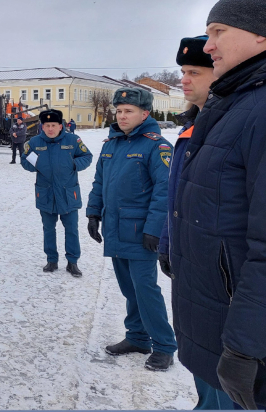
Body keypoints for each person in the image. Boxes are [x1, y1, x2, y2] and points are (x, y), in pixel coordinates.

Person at [173, 0, 266, 410]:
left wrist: (248, 345)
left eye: (218, 30)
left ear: (260, 33)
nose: (207, 45)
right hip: (214, 316)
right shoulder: (235, 104)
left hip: (240, 332)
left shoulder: (258, 110)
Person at [158, 35, 234, 412]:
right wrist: (168, 243)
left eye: (194, 72)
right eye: (182, 72)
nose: (184, 81)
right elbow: (178, 199)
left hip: (223, 275)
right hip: (193, 267)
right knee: (202, 363)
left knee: (227, 379)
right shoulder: (192, 130)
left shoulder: (232, 125)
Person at [86, 87, 177, 372]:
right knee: (129, 289)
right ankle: (138, 337)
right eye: (119, 110)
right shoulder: (111, 144)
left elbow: (165, 191)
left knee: (146, 289)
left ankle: (164, 345)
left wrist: (156, 229)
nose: (122, 116)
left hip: (140, 232)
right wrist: (92, 212)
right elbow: (99, 182)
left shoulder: (157, 146)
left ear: (145, 114)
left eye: (129, 111)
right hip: (116, 228)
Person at [21, 109, 92, 276]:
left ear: (61, 126)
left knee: (72, 229)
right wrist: (35, 165)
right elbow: (25, 160)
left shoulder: (73, 140)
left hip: (68, 194)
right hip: (46, 193)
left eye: (53, 125)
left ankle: (72, 262)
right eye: (47, 125)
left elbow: (87, 156)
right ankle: (51, 260)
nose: (50, 129)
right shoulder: (34, 142)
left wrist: (74, 164)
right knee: (48, 229)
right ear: (42, 127)